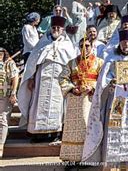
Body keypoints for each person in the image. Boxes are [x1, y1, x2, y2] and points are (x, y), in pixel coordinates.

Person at [82, 30, 128, 169]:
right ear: (120, 43)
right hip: (115, 99)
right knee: (114, 128)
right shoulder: (111, 57)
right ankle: (112, 163)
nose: (127, 45)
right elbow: (102, 81)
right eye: (124, 42)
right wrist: (111, 81)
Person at [18, 16, 76, 144]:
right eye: (54, 27)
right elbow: (33, 63)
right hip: (41, 79)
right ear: (50, 28)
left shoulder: (67, 45)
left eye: (58, 28)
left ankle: (54, 132)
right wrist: (31, 78)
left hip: (59, 80)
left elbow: (72, 64)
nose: (56, 29)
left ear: (62, 30)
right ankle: (37, 133)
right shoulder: (42, 43)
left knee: (57, 105)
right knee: (39, 104)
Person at [59, 37, 103, 163]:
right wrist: (72, 89)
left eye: (87, 45)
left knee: (88, 127)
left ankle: (90, 158)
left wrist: (93, 87)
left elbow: (103, 80)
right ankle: (72, 158)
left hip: (91, 100)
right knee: (73, 129)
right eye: (82, 46)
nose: (85, 48)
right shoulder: (71, 62)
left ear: (92, 46)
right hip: (75, 100)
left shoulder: (99, 62)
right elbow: (62, 77)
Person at [0, 48, 19, 158]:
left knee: (2, 119)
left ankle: (1, 146)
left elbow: (15, 77)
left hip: (5, 95)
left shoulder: (9, 63)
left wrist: (13, 92)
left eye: (1, 53)